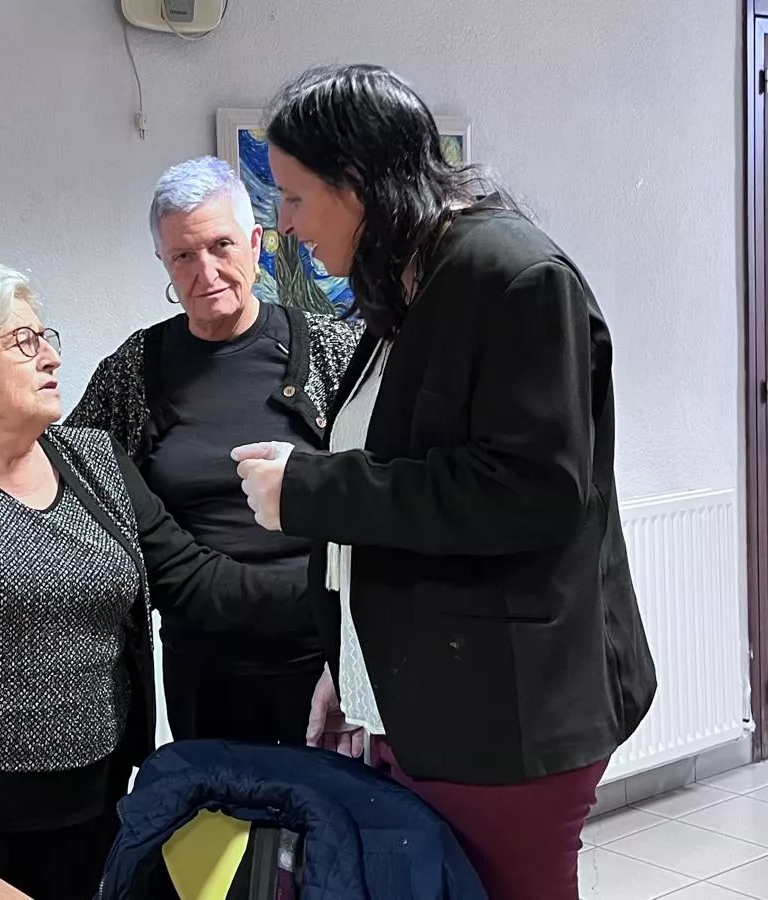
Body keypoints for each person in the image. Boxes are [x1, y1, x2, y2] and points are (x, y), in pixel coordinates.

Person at [231, 64, 657, 900]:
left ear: (357, 185)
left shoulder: (514, 276)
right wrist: (346, 668)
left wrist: (312, 489)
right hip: (425, 698)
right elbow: (403, 480)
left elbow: (530, 492)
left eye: (292, 197)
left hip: (507, 715)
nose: (281, 224)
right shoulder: (409, 282)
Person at [0, 260, 305, 900]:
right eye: (23, 342)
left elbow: (195, 581)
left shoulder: (96, 459)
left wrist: (333, 594)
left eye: (47, 337)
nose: (51, 359)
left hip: (95, 795)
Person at [67, 157, 359, 746]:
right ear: (164, 265)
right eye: (183, 256)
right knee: (216, 829)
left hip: (321, 653)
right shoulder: (134, 372)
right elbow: (74, 482)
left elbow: (376, 486)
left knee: (323, 827)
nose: (207, 271)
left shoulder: (332, 352)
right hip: (202, 659)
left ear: (256, 244)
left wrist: (355, 648)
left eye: (222, 245)